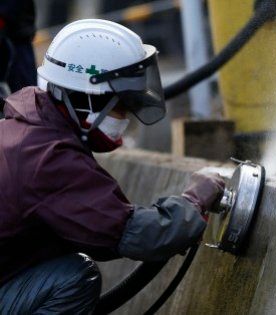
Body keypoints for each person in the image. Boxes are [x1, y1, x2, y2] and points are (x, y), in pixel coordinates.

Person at [0, 19, 225, 313]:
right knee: (75, 277)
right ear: (87, 99)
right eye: (120, 104)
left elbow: (97, 232)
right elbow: (132, 234)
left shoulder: (25, 128)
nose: (125, 116)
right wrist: (194, 201)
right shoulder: (48, 158)